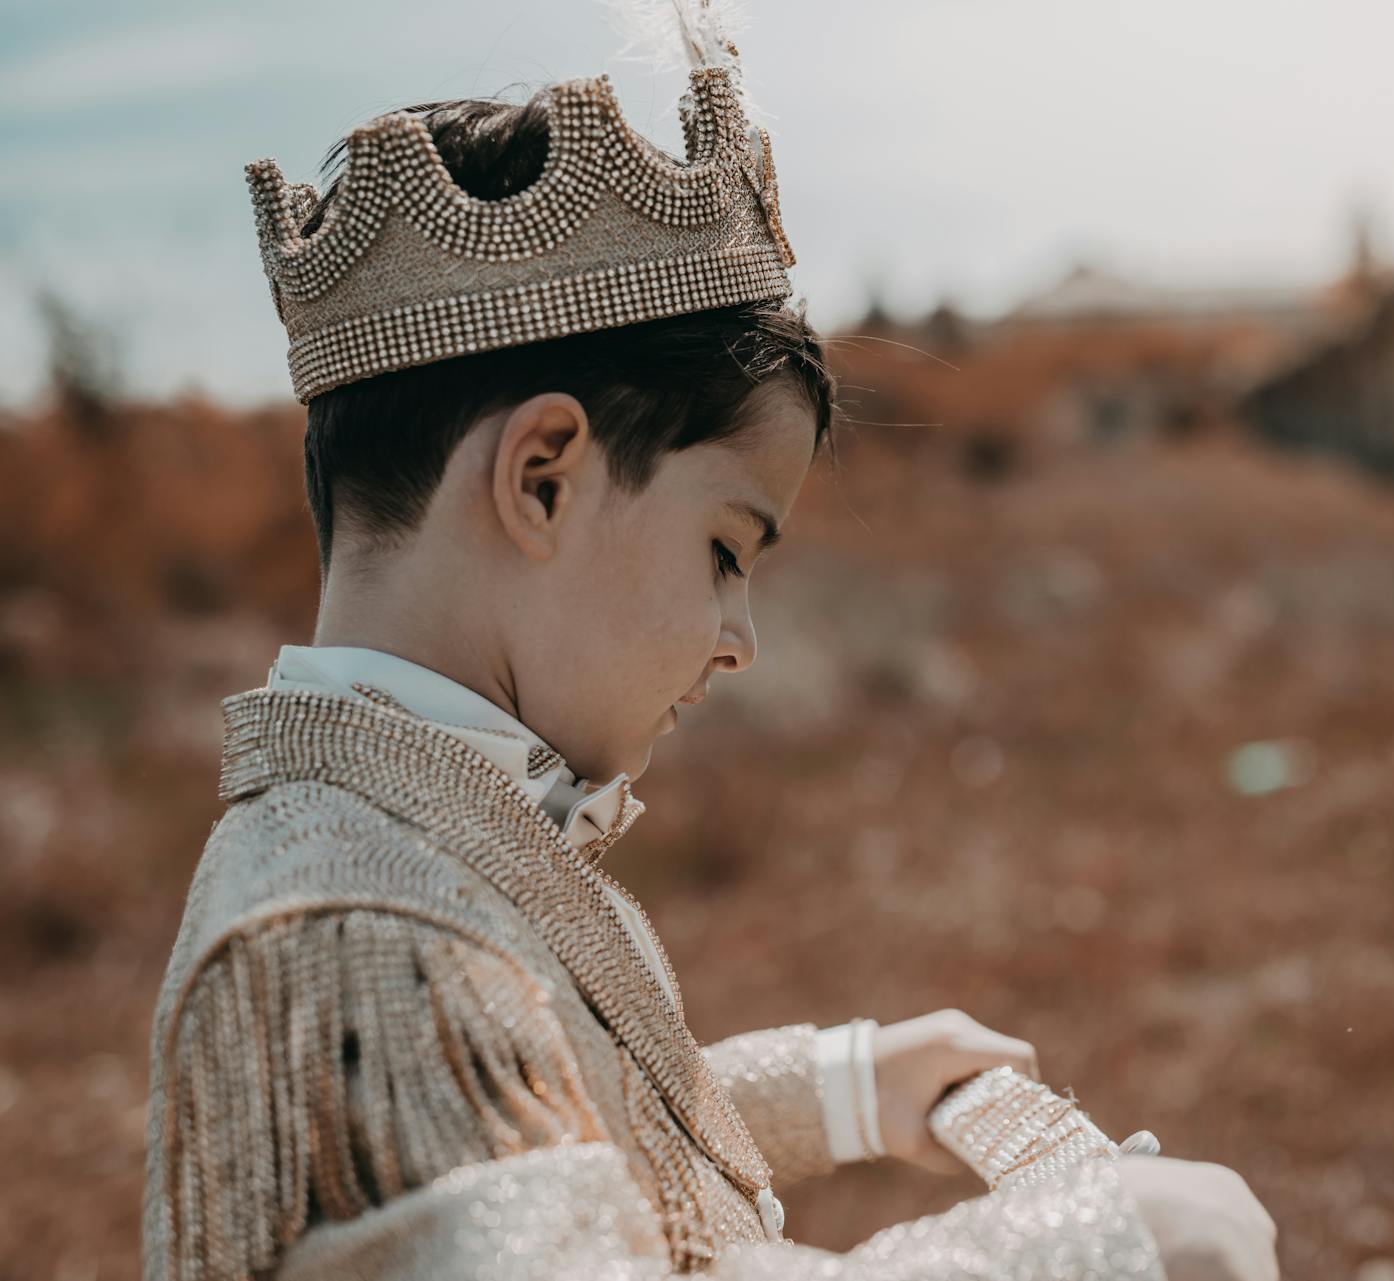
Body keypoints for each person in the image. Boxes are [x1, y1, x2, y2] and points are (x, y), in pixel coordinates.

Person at [142, 5, 1278, 1280]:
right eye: (728, 551)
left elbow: (553, 1120)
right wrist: (1097, 1246)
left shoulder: (405, 836)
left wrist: (844, 1088)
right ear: (545, 480)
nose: (740, 641)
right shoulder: (360, 943)